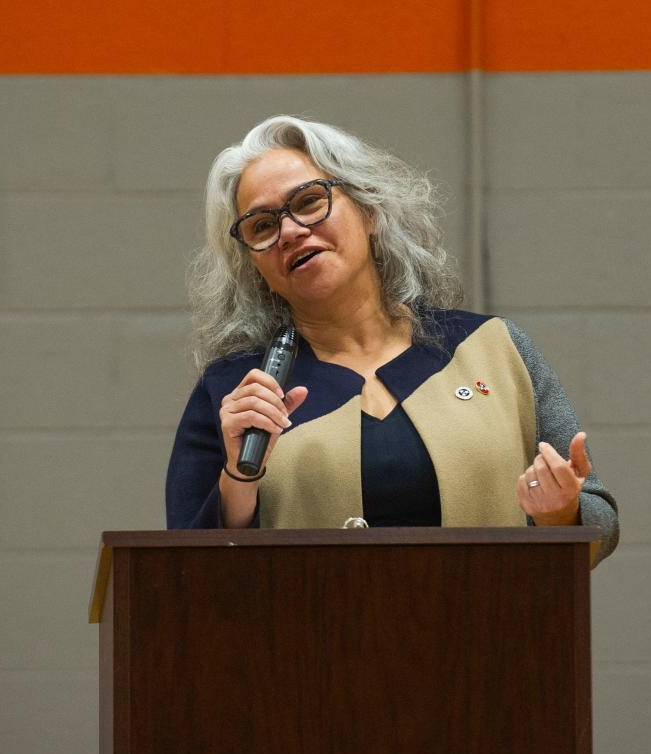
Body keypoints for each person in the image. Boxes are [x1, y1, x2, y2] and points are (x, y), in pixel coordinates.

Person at [165, 116, 618, 566]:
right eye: (261, 227)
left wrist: (561, 512)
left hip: (493, 632)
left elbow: (599, 520)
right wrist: (238, 478)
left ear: (370, 212)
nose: (289, 231)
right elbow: (188, 567)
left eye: (308, 201)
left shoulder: (493, 348)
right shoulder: (236, 391)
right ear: (254, 266)